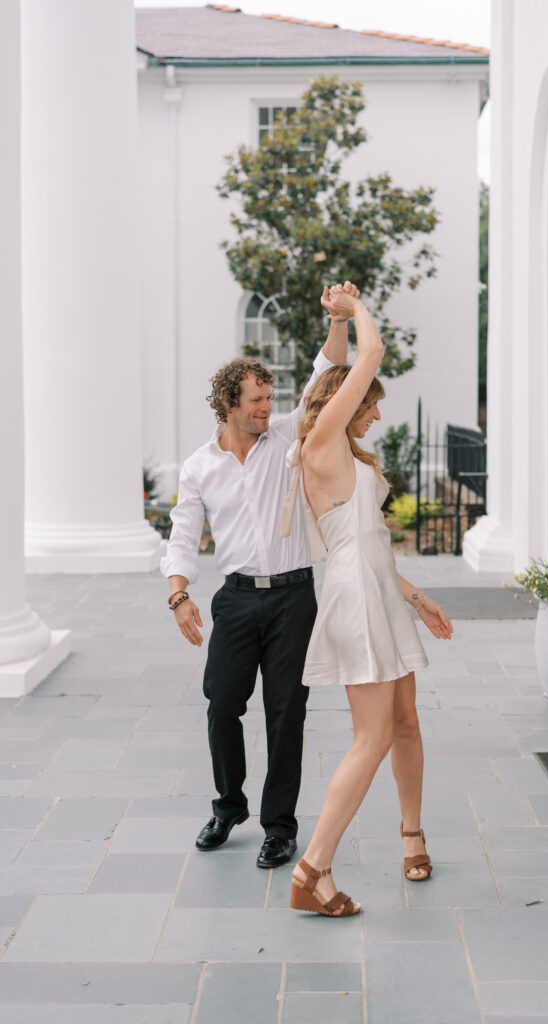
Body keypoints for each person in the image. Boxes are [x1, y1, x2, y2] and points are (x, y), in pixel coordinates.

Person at [161, 283, 358, 868]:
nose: (266, 408)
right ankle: (228, 805)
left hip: (295, 597)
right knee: (222, 702)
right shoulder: (200, 466)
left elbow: (329, 371)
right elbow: (181, 531)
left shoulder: (287, 440)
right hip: (236, 600)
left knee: (285, 712)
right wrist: (180, 596)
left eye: (269, 398)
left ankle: (279, 826)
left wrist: (340, 319)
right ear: (227, 402)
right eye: (255, 400)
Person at [283, 288, 453, 917]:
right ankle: (313, 868)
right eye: (369, 405)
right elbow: (373, 350)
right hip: (355, 598)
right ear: (342, 404)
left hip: (379, 589)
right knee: (371, 737)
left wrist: (415, 596)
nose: (375, 415)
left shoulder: (346, 451)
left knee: (405, 721)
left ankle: (412, 835)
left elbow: (371, 542)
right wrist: (354, 309)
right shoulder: (321, 444)